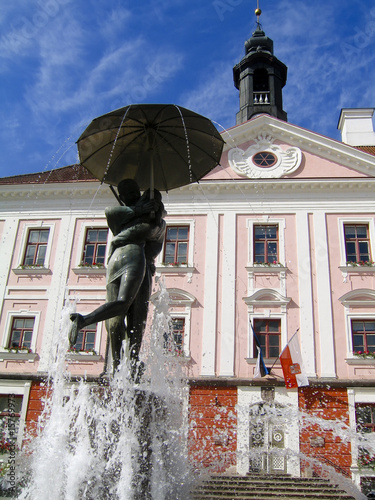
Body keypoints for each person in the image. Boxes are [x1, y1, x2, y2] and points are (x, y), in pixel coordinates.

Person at [68, 179, 166, 377]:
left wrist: (153, 215)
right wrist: (141, 212)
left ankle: (125, 366)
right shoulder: (121, 214)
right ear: (122, 197)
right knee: (122, 316)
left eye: (133, 192)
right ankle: (87, 324)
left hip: (131, 263)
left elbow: (154, 241)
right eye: (127, 193)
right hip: (128, 259)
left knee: (133, 320)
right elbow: (111, 213)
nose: (130, 195)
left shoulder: (153, 221)